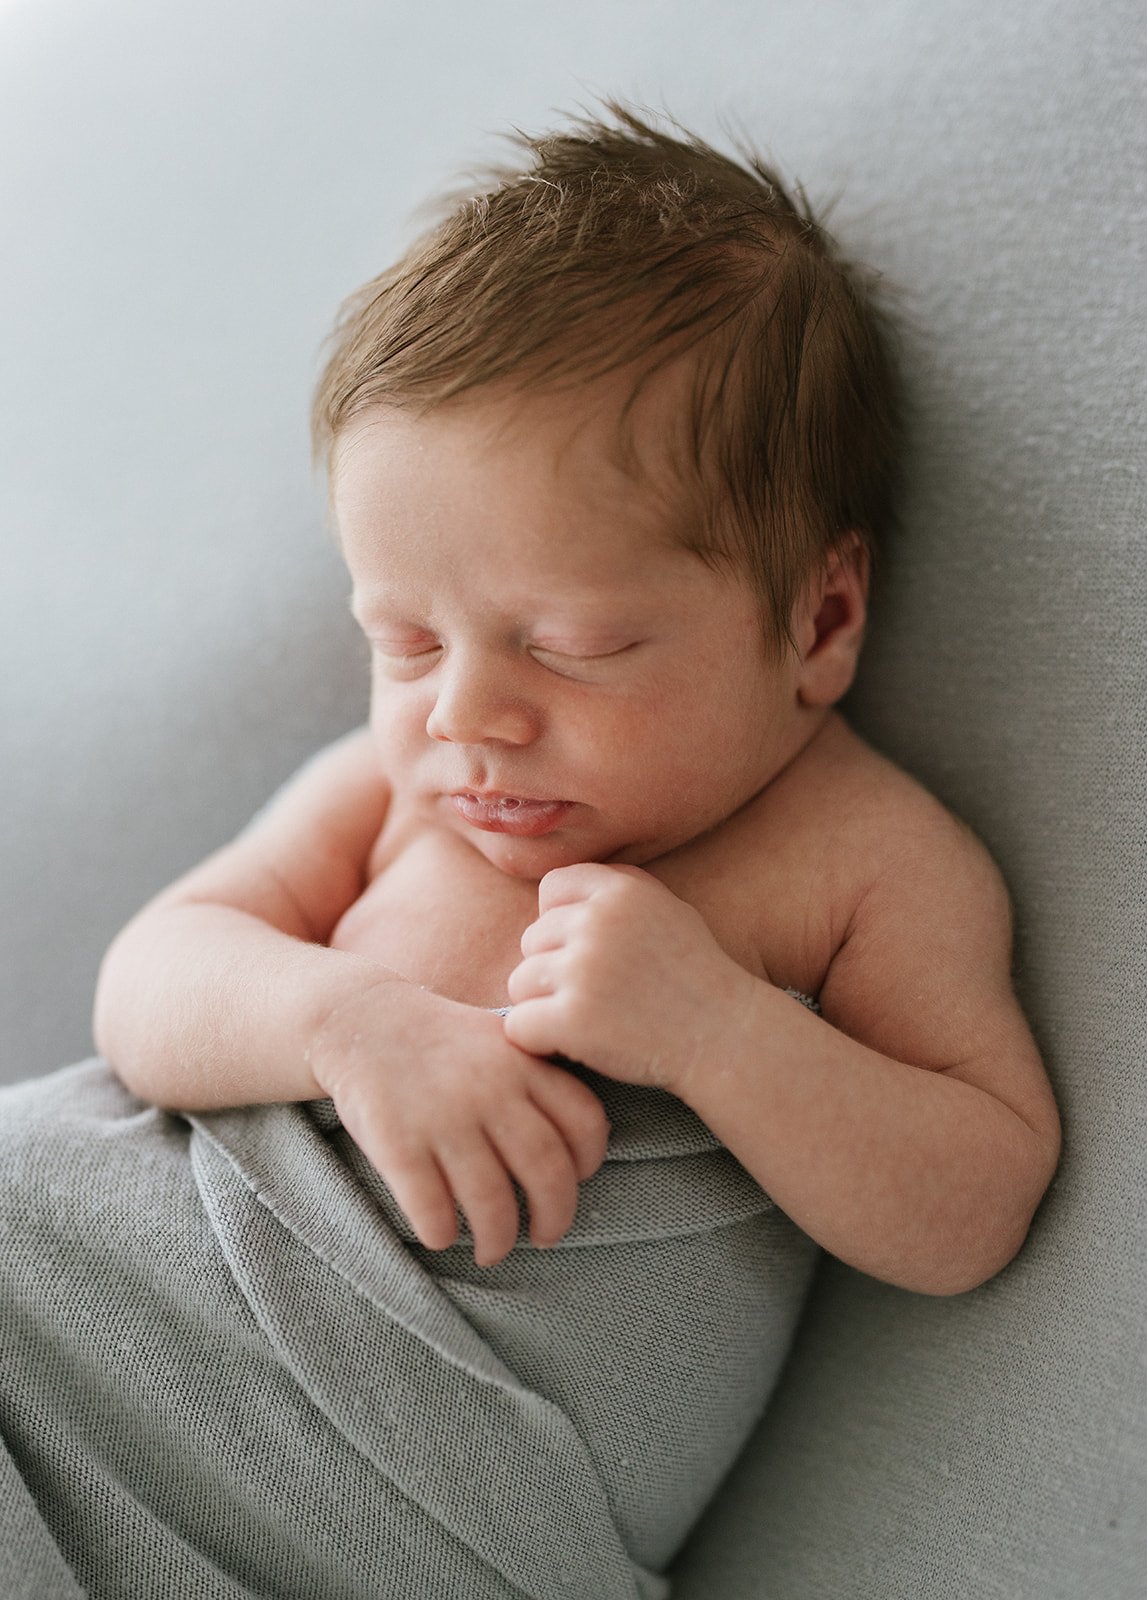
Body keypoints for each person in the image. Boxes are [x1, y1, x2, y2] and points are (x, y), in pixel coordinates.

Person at [92, 103, 1061, 1291]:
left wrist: (721, 1031)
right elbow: (146, 981)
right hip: (125, 1243)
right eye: (403, 640)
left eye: (568, 644)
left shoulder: (866, 861)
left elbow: (978, 1204)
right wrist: (346, 1023)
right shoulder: (390, 795)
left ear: (820, 621)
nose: (461, 715)